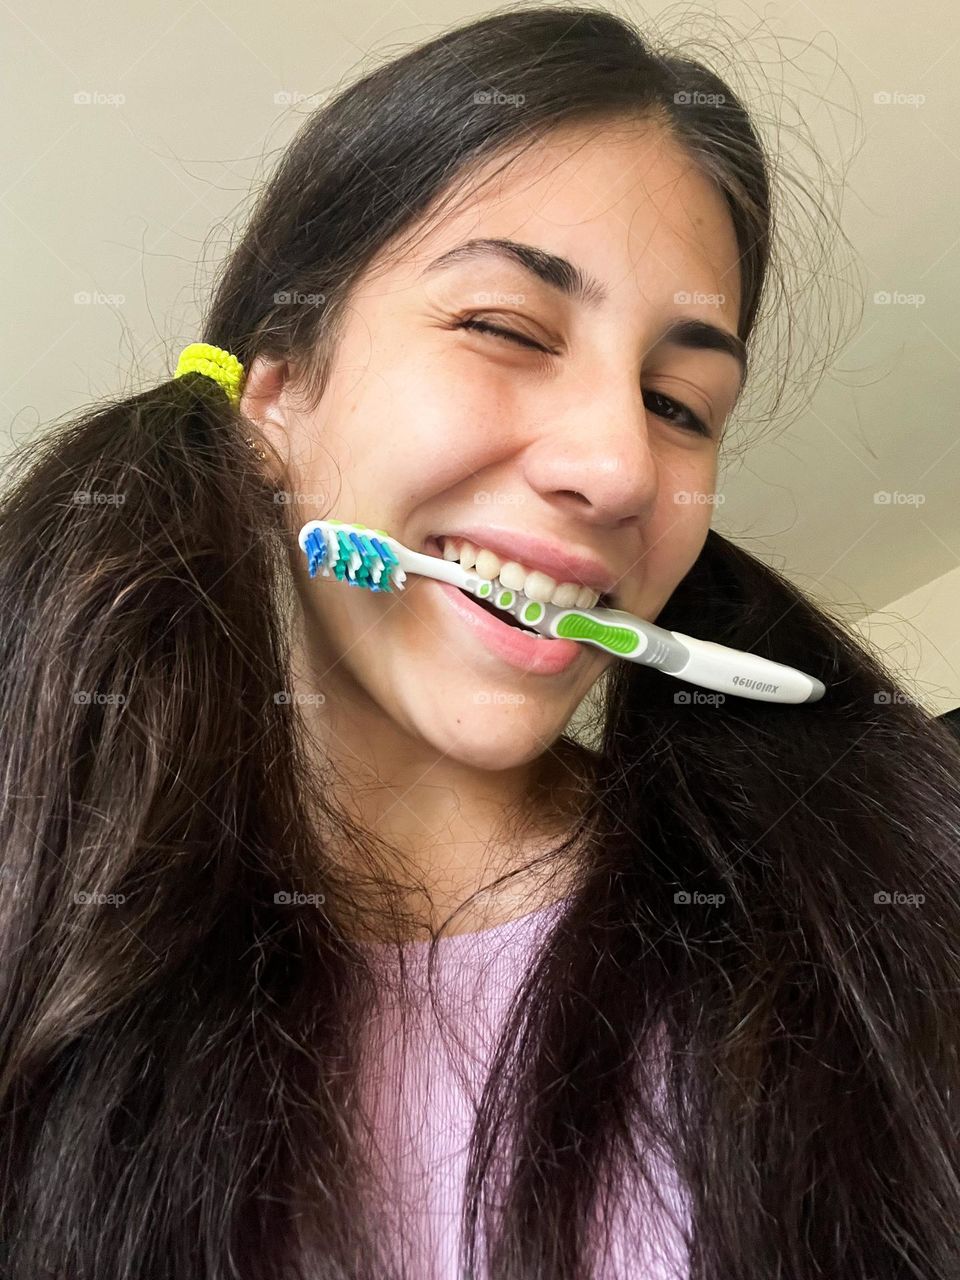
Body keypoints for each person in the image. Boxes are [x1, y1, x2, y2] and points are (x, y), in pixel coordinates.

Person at [1, 7, 958, 1279]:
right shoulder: (48, 899)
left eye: (680, 406)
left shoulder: (861, 937)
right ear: (276, 395)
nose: (620, 466)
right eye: (506, 327)